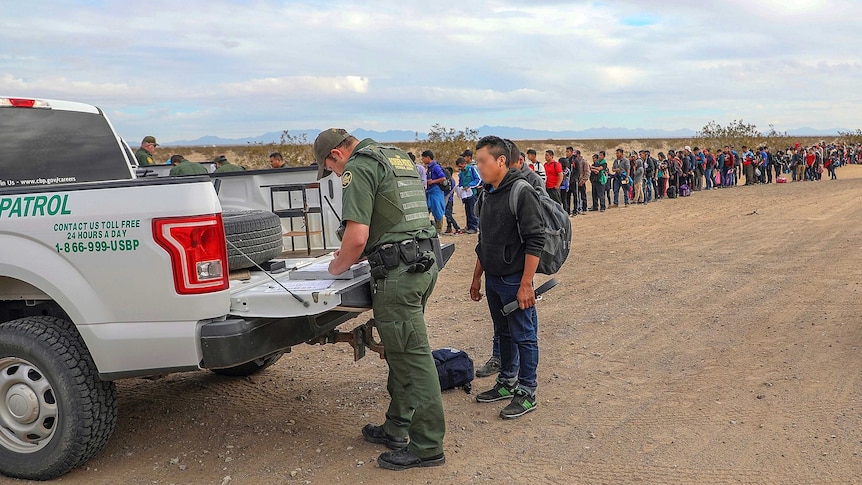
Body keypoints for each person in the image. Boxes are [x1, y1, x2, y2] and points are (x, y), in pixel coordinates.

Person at [313, 128, 445, 470]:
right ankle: (396, 426)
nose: (335, 174)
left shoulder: (358, 167)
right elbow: (392, 216)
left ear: (336, 155)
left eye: (330, 168)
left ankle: (428, 445)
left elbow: (356, 238)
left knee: (412, 356)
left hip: (399, 274)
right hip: (423, 263)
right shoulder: (395, 156)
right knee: (401, 350)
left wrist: (335, 267)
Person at [470, 135, 544, 419]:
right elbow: (484, 239)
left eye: (483, 161)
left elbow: (535, 240)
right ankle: (506, 382)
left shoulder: (521, 192)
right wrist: (477, 277)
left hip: (515, 280)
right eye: (477, 162)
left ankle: (527, 392)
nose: (479, 167)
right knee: (503, 334)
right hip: (493, 280)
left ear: (501, 161)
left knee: (524, 336)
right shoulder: (486, 194)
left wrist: (526, 283)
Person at [421, 150, 447, 234]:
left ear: (428, 158)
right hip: (430, 192)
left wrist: (433, 181)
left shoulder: (435, 167)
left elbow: (443, 178)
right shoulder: (429, 168)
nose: (422, 160)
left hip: (436, 191)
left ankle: (439, 229)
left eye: (423, 158)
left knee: (437, 210)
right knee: (427, 209)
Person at [456, 151, 481, 233]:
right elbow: (461, 181)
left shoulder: (472, 168)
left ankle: (474, 227)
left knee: (472, 210)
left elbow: (478, 179)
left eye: (461, 166)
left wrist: (470, 185)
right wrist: (459, 188)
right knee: (467, 211)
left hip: (471, 193)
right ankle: (469, 226)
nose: (460, 168)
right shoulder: (461, 173)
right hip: (464, 194)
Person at [443, 166, 462, 235]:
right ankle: (449, 228)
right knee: (447, 214)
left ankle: (457, 228)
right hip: (449, 200)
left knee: (448, 215)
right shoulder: (450, 180)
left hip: (449, 200)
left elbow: (447, 190)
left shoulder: (450, 181)